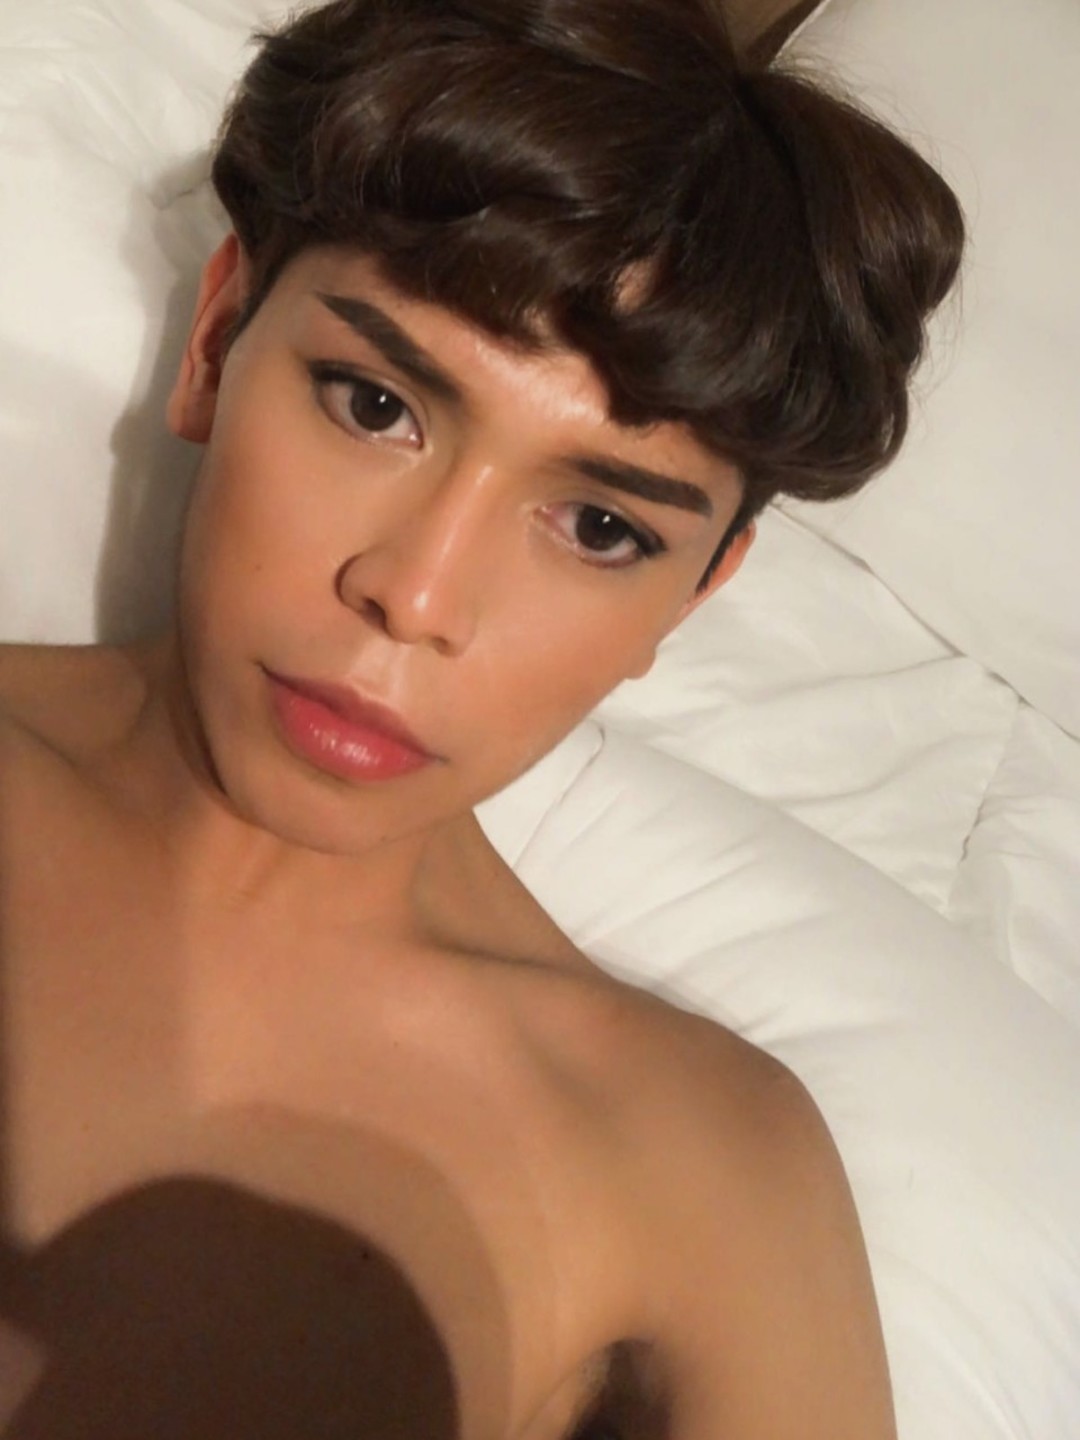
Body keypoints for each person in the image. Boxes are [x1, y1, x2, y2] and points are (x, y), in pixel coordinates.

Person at [0, 0, 963, 1432]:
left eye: (600, 527)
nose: (416, 596)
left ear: (694, 595)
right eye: (373, 404)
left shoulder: (699, 1162)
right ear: (214, 339)